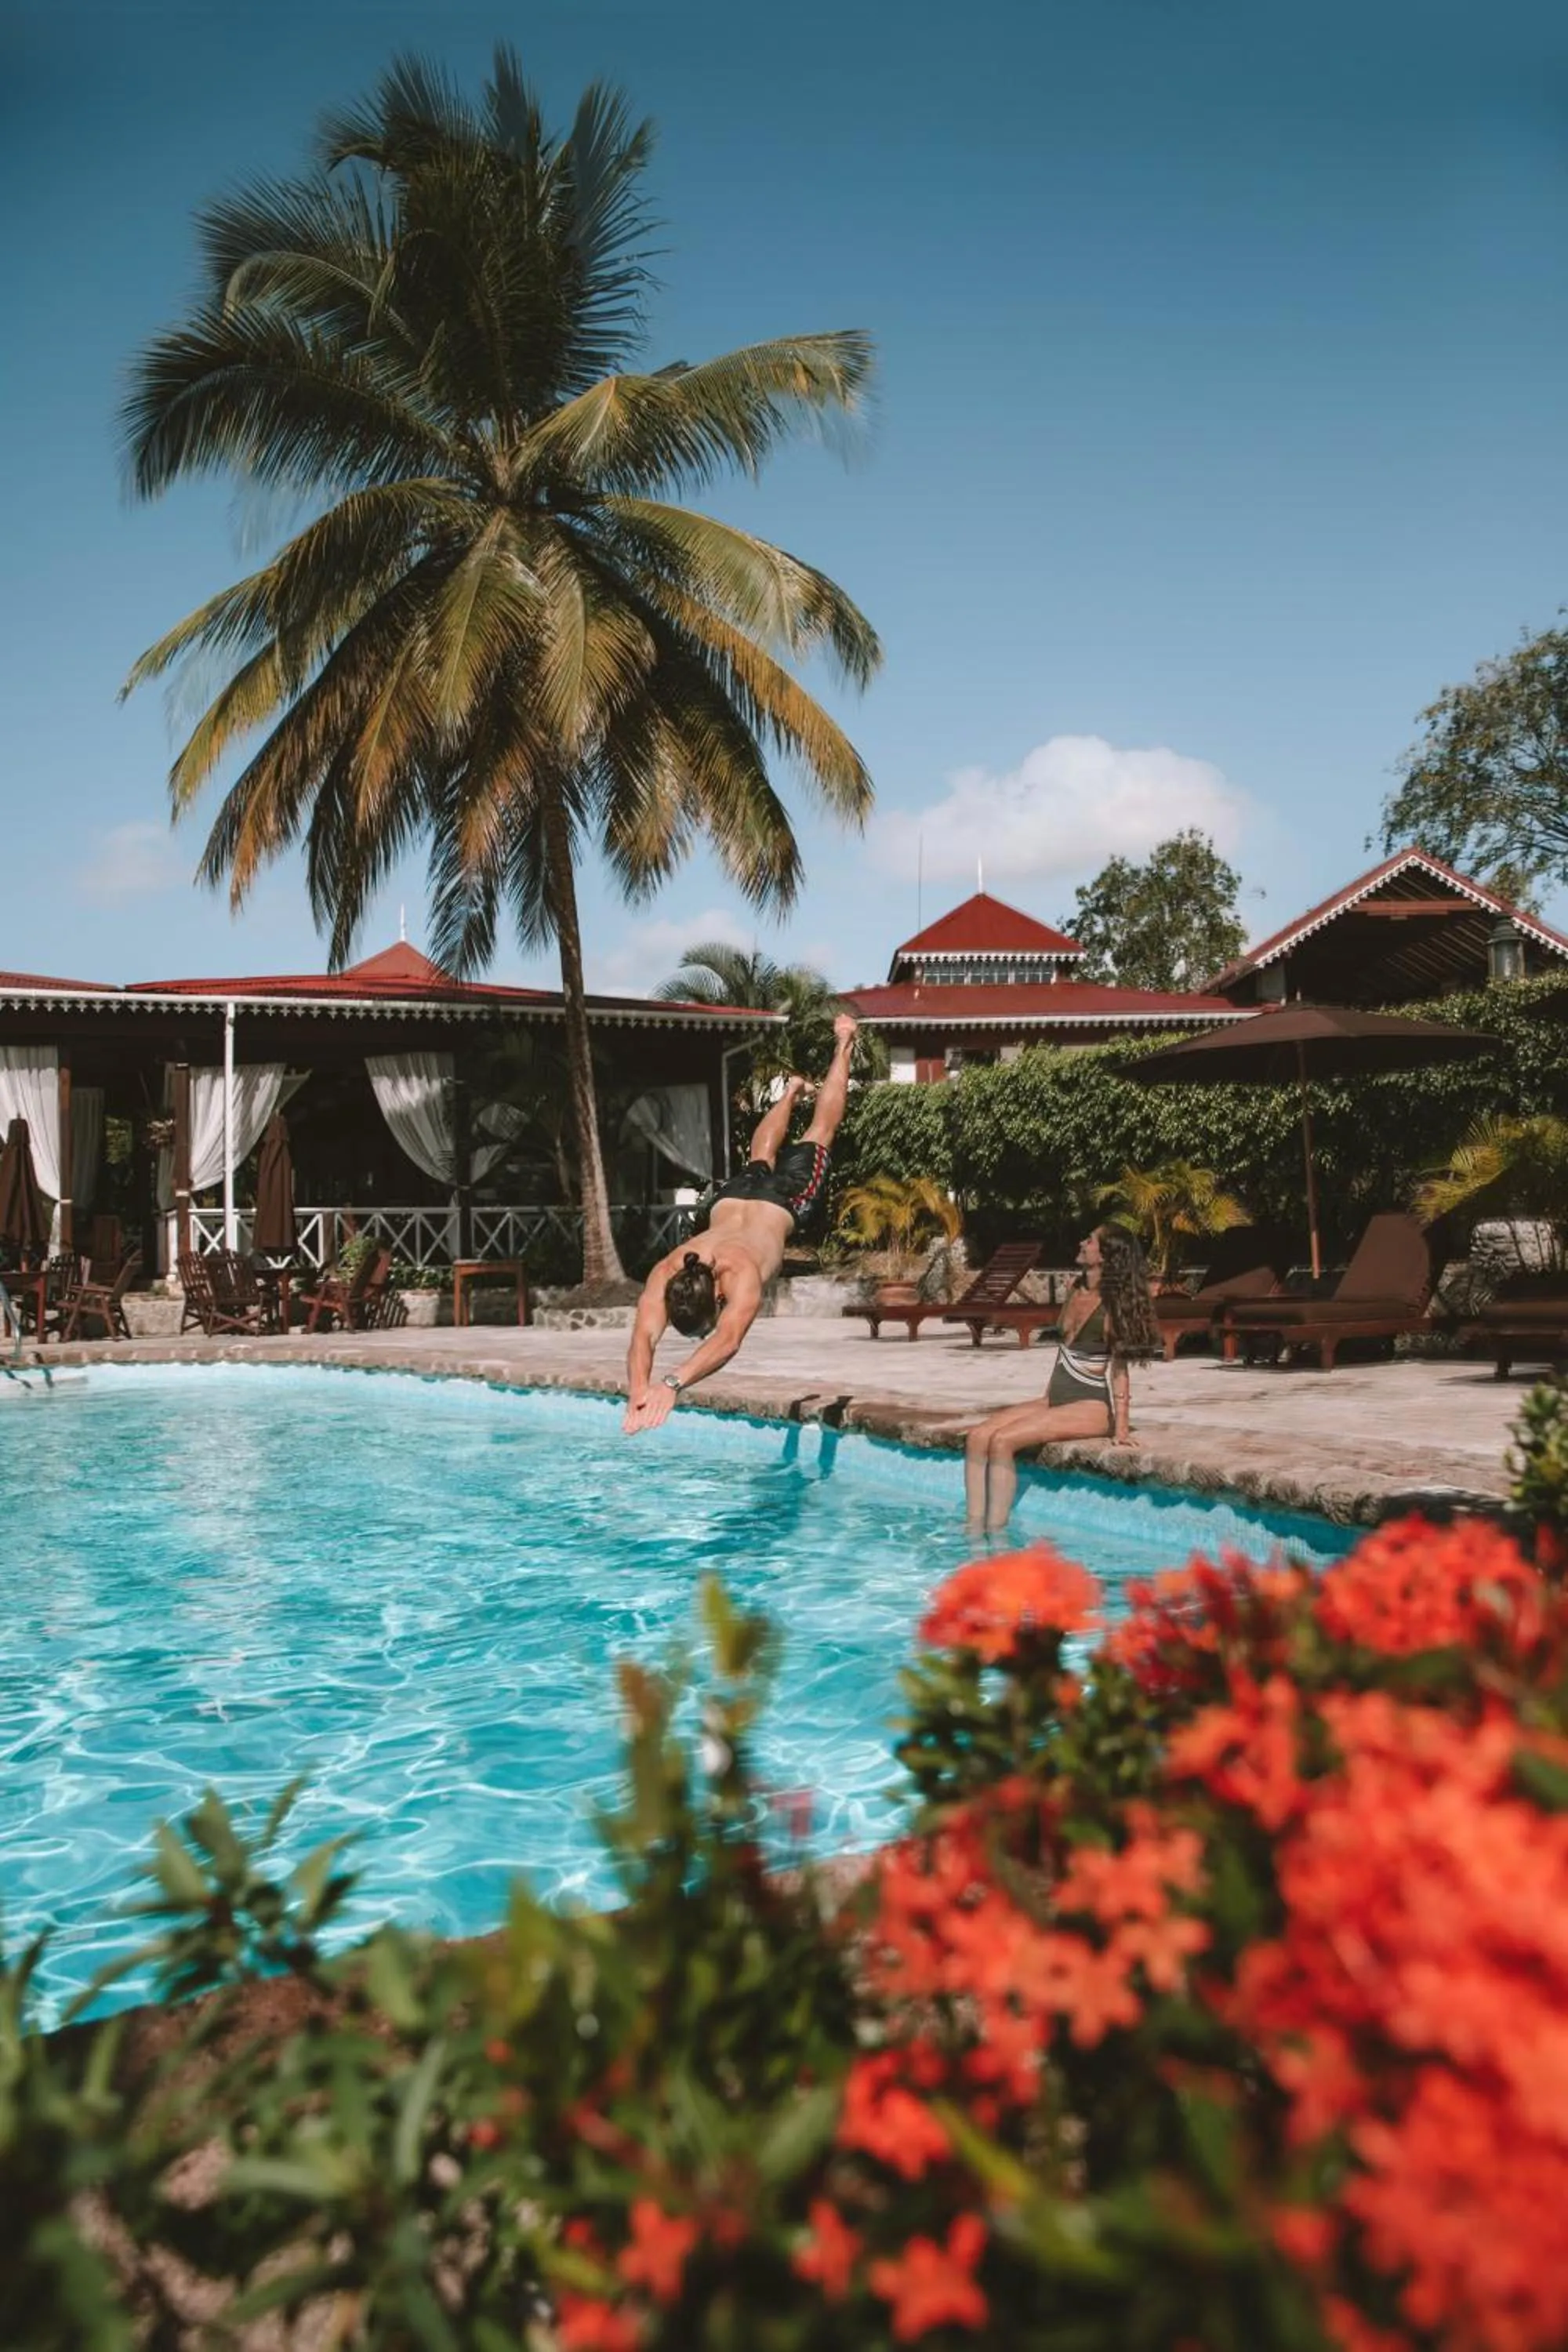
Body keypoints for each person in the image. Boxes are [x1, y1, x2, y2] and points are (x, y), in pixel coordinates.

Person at [622, 1012, 859, 1432]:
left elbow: (727, 1341)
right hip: (732, 1200)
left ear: (718, 1298)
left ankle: (844, 1043)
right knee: (760, 1157)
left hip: (787, 1202)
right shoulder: (672, 1269)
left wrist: (672, 1383)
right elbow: (643, 1337)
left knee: (821, 1131)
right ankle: (789, 1093)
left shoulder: (741, 1275)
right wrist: (638, 1392)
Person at [962, 1225, 1160, 1536]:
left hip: (1090, 1405)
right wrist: (1047, 1399)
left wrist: (1121, 1426)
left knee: (1002, 1442)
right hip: (1055, 1398)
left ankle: (997, 1535)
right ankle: (972, 1529)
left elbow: (1119, 1370)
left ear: (1106, 1255)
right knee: (977, 1436)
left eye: (1090, 1240)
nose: (1082, 1242)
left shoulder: (1113, 1304)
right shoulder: (1075, 1288)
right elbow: (1064, 1350)